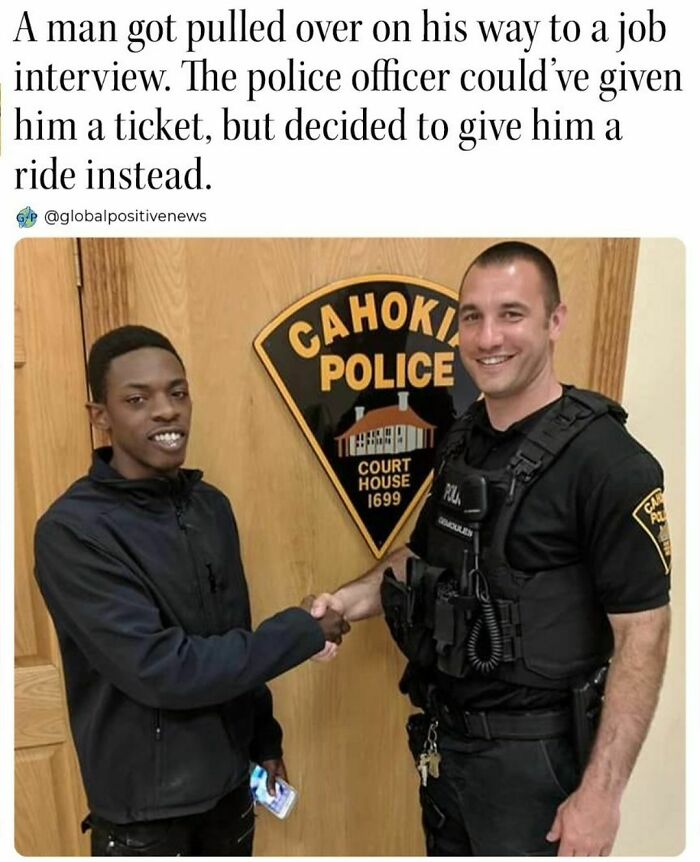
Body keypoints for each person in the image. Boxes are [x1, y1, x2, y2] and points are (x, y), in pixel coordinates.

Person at [311, 242, 671, 856]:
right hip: (448, 746)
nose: (487, 336)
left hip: (538, 765)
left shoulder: (613, 464)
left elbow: (645, 632)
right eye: (472, 316)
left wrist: (601, 796)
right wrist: (343, 602)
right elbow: (418, 560)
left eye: (512, 313)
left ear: (555, 322)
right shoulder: (463, 437)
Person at [34, 325, 349, 857]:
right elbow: (162, 670)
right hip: (147, 819)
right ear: (101, 416)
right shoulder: (73, 531)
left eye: (177, 393)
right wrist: (301, 631)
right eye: (137, 399)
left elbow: (233, 636)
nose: (165, 411)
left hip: (230, 793)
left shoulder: (210, 507)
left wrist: (263, 739)